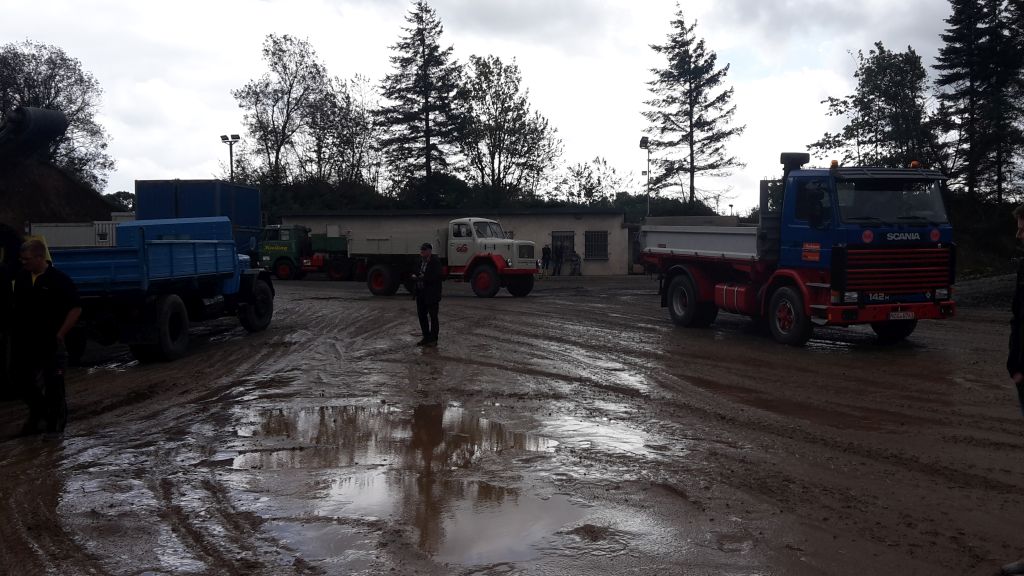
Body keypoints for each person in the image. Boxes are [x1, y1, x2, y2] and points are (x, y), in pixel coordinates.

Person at [11, 238, 81, 435]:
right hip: (26, 340)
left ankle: (55, 425)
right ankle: (40, 412)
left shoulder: (59, 280)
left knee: (53, 384)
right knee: (20, 379)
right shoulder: (22, 278)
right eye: (22, 259)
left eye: (27, 259)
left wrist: (61, 333)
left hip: (51, 341)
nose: (23, 262)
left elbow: (76, 308)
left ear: (40, 257)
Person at [412, 242, 442, 347]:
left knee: (433, 316)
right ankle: (426, 337)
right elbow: (415, 270)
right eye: (421, 249)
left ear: (429, 251)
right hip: (420, 293)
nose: (422, 251)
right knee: (422, 316)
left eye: (424, 250)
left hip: (431, 294)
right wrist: (416, 275)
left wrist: (421, 277)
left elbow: (435, 276)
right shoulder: (419, 261)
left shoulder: (435, 262)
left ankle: (433, 339)